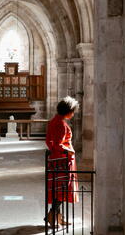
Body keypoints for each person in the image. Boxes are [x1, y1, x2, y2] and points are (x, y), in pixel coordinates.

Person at [46, 96, 79, 227]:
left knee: (58, 189)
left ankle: (58, 217)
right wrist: (71, 152)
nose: (74, 113)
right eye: (73, 111)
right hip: (63, 161)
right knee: (62, 190)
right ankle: (51, 215)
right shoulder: (61, 124)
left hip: (56, 159)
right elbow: (58, 144)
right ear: (69, 111)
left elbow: (49, 142)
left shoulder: (54, 121)